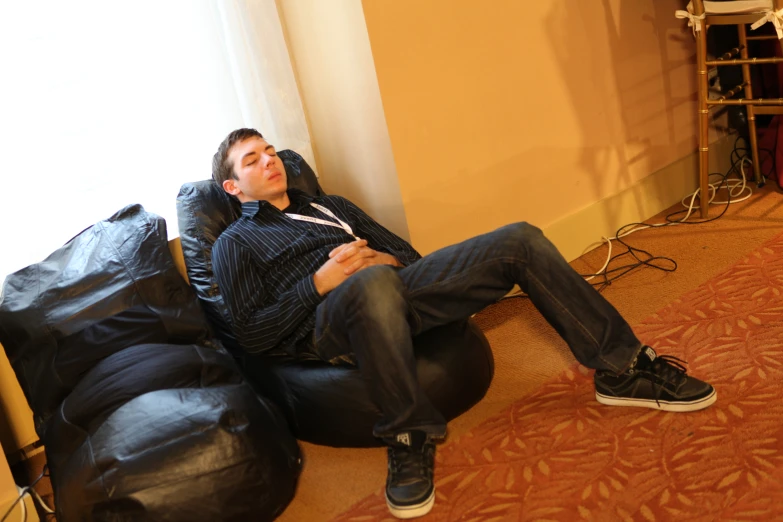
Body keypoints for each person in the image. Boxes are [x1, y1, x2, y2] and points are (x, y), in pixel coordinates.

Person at [210, 128, 717, 520]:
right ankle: (408, 438)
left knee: (518, 238)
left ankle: (621, 366)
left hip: (392, 291)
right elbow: (252, 333)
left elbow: (408, 254)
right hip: (330, 321)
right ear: (234, 187)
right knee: (366, 287)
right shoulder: (233, 244)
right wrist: (321, 281)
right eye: (252, 159)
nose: (270, 160)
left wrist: (382, 261)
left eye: (271, 150)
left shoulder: (332, 207)